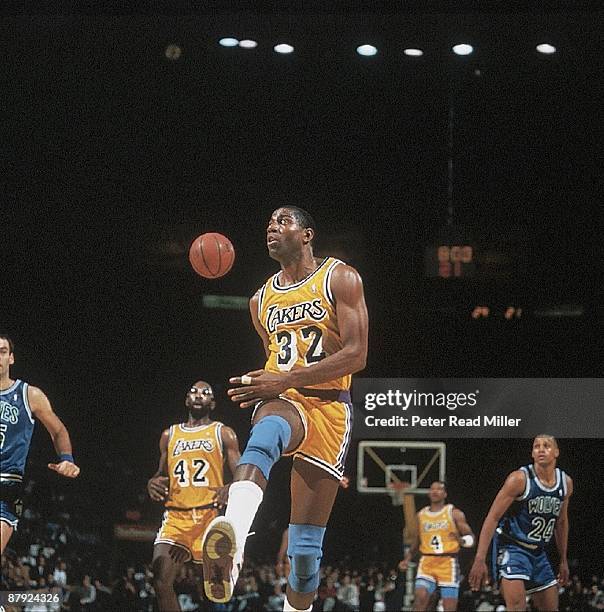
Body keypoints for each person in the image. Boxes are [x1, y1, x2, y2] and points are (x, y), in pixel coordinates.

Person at [201, 206, 368, 611]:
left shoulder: (340, 277)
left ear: (308, 234)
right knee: (268, 428)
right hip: (286, 400)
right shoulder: (260, 300)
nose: (272, 228)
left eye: (283, 222)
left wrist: (287, 379)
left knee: (306, 551)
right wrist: (274, 384)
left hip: (330, 409)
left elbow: (357, 354)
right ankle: (234, 538)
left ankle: (298, 606)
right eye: (269, 224)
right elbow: (276, 363)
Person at [148, 379, 240, 611]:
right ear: (186, 400)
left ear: (213, 403)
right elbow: (160, 474)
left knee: (212, 591)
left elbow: (242, 474)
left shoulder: (223, 433)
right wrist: (152, 482)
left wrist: (231, 487)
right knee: (160, 581)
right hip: (176, 519)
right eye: (194, 392)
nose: (199, 395)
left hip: (209, 517)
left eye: (205, 392)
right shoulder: (169, 435)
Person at [468, 435, 573, 611]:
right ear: (532, 453)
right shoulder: (519, 479)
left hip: (539, 552)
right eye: (536, 446)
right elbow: (492, 517)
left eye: (546, 446)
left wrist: (563, 559)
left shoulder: (566, 483)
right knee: (517, 607)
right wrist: (480, 558)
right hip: (513, 548)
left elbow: (561, 522)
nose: (540, 449)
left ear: (556, 452)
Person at [0, 334, 80, 556]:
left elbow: (58, 430)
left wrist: (67, 458)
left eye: (3, 351)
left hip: (7, 485)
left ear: (11, 358)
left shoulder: (29, 394)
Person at [399, 481, 475, 611]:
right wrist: (407, 559)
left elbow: (471, 539)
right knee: (420, 598)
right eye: (432, 489)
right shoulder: (421, 515)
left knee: (449, 607)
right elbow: (417, 541)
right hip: (427, 562)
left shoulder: (454, 513)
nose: (435, 491)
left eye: (439, 489)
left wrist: (461, 541)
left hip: (448, 563)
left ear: (445, 494)